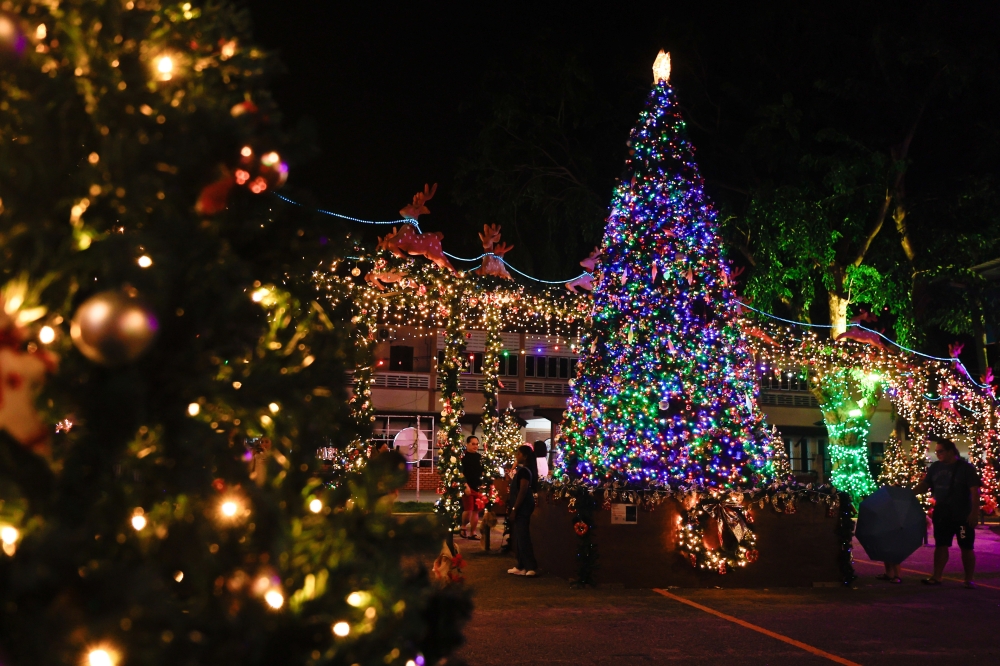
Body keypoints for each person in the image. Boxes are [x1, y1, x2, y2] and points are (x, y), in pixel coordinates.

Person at [914, 435, 981, 588]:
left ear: (951, 451)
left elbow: (974, 491)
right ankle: (937, 576)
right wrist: (910, 493)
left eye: (941, 451)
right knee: (941, 545)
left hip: (962, 515)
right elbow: (925, 484)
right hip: (942, 513)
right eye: (936, 452)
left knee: (966, 546)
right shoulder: (935, 467)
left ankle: (969, 579)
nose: (938, 454)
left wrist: (974, 513)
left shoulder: (965, 468)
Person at [507, 444, 538, 577]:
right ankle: (521, 565)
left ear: (524, 456)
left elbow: (523, 490)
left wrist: (515, 509)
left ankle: (530, 566)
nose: (516, 455)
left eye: (518, 453)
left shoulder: (524, 471)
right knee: (519, 536)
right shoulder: (526, 469)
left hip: (523, 506)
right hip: (524, 505)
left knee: (523, 536)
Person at [461, 435, 484, 540]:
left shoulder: (480, 457)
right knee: (468, 509)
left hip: (478, 487)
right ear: (467, 444)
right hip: (468, 487)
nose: (475, 446)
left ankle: (473, 532)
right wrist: (465, 485)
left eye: (477, 444)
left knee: (476, 510)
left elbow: (482, 471)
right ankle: (463, 527)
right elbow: (460, 473)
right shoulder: (463, 457)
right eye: (473, 444)